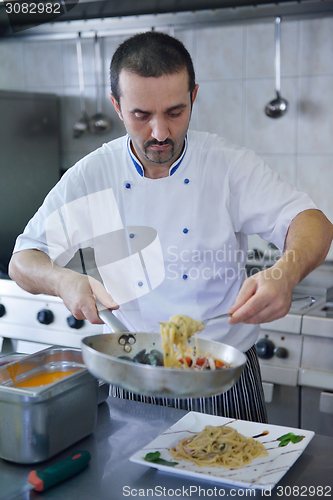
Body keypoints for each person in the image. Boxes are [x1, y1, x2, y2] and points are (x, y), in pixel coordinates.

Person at [9, 31, 333, 423]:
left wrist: (284, 273)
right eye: (141, 116)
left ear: (193, 96)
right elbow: (24, 260)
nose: (160, 133)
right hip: (134, 372)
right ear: (116, 106)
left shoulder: (226, 166)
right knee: (128, 484)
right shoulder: (94, 174)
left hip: (221, 377)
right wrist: (62, 281)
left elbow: (311, 222)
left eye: (175, 112)